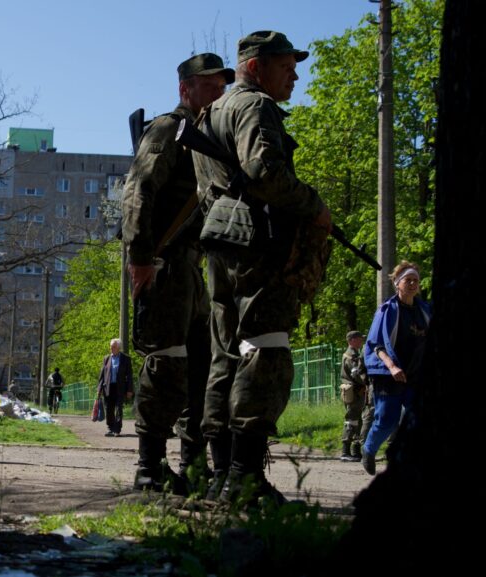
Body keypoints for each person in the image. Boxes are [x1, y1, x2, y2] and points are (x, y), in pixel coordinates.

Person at [192, 31, 332, 506]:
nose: (295, 74)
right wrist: (314, 205)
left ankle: (221, 474)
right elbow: (266, 172)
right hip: (257, 243)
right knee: (266, 351)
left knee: (225, 356)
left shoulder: (211, 113)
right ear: (256, 67)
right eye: (286, 65)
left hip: (221, 241)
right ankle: (245, 479)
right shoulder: (254, 107)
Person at [122, 52, 234, 493]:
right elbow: (138, 189)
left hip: (193, 265)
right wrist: (140, 257)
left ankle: (193, 464)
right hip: (163, 263)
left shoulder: (211, 137)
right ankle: (149, 467)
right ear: (185, 89)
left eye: (221, 86)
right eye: (208, 86)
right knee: (165, 364)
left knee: (200, 369)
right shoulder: (170, 128)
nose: (217, 93)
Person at [361, 261, 431, 475]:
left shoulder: (425, 310)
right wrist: (391, 367)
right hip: (388, 374)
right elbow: (375, 345)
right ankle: (369, 449)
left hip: (415, 373)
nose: (412, 284)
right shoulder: (387, 310)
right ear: (397, 284)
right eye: (407, 280)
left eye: (415, 281)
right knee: (387, 419)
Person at [338, 330, 368, 462]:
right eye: (359, 338)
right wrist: (367, 382)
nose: (362, 340)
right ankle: (345, 452)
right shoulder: (351, 356)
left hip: (357, 392)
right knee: (351, 420)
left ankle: (356, 452)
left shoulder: (354, 354)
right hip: (355, 392)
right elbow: (356, 374)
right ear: (351, 340)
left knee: (358, 420)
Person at [97, 339, 133, 437]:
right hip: (108, 387)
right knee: (109, 409)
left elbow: (129, 375)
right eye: (110, 346)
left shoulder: (126, 359)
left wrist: (130, 389)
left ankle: (117, 429)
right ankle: (110, 428)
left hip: (120, 388)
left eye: (113, 346)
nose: (111, 348)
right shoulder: (106, 358)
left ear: (118, 347)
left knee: (118, 409)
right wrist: (99, 390)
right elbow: (102, 375)